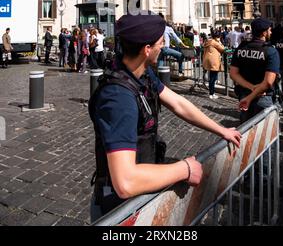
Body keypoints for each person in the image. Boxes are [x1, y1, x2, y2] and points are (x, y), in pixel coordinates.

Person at [88, 13, 242, 222]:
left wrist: (221, 130)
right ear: (147, 49)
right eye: (161, 42)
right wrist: (184, 169)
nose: (163, 46)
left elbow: (178, 103)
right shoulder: (119, 99)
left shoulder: (141, 72)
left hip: (141, 196)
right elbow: (125, 182)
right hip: (119, 209)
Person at [229, 18, 280, 124]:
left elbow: (233, 73)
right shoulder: (270, 51)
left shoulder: (241, 48)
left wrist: (250, 88)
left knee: (246, 131)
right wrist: (253, 94)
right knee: (267, 135)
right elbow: (268, 82)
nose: (271, 32)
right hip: (263, 96)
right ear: (264, 32)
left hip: (244, 94)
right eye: (269, 30)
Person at [202, 30, 225, 99]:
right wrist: (220, 42)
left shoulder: (208, 41)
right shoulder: (215, 42)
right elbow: (223, 49)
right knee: (213, 78)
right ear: (217, 37)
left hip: (208, 60)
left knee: (211, 77)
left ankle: (211, 93)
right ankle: (212, 93)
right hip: (214, 61)